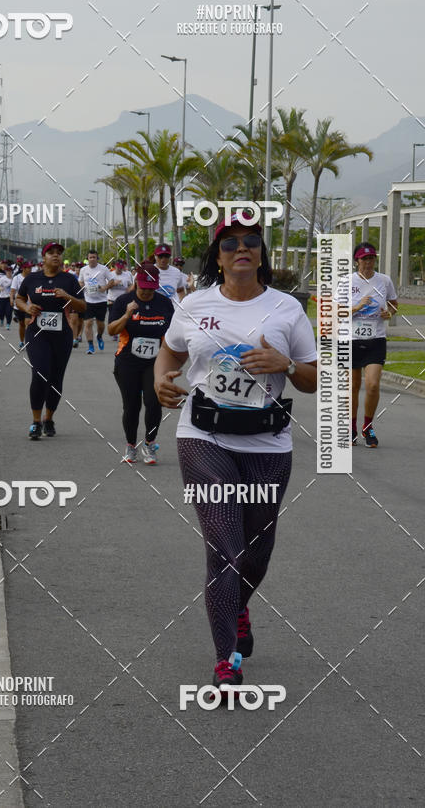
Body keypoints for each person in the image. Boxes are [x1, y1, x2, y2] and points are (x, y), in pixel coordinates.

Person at [154, 213, 317, 695]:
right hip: (204, 436)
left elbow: (312, 379)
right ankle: (227, 658)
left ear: (261, 252)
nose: (241, 248)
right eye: (230, 243)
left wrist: (285, 364)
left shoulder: (287, 308)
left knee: (257, 551)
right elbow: (170, 352)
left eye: (250, 241)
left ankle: (238, 604)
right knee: (225, 551)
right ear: (217, 256)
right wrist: (161, 379)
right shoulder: (193, 304)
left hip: (268, 442)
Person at [15, 241, 86, 440]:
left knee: (55, 378)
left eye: (59, 253)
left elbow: (82, 307)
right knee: (40, 373)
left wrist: (67, 297)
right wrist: (27, 308)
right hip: (37, 334)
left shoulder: (69, 280)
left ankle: (49, 418)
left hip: (62, 335)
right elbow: (19, 299)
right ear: (43, 257)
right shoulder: (32, 279)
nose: (56, 256)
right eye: (51, 253)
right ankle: (35, 422)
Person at [108, 262, 174, 464]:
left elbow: (173, 334)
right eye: (143, 286)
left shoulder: (164, 303)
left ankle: (149, 443)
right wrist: (127, 315)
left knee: (154, 404)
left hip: (155, 363)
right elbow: (111, 330)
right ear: (136, 281)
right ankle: (130, 446)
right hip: (128, 362)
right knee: (131, 406)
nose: (146, 291)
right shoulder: (123, 301)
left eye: (151, 288)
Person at [350, 241, 398, 447]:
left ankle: (367, 428)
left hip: (376, 339)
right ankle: (350, 428)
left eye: (371, 258)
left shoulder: (384, 281)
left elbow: (394, 304)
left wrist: (390, 312)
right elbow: (335, 311)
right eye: (364, 259)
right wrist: (357, 306)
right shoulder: (346, 282)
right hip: (351, 339)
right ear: (356, 260)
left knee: (372, 385)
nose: (368, 262)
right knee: (352, 386)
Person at [79, 250, 112, 354]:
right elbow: (80, 281)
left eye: (94, 257)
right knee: (88, 323)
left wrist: (104, 288)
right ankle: (90, 346)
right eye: (90, 257)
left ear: (97, 259)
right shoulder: (83, 270)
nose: (92, 259)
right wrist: (83, 286)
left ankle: (99, 336)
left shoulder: (103, 269)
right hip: (88, 300)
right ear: (87, 259)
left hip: (101, 300)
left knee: (100, 324)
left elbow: (111, 281)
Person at [10, 260, 33, 349]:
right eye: (29, 268)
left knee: (28, 323)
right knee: (22, 324)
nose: (30, 269)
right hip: (19, 305)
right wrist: (11, 299)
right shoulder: (17, 278)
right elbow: (13, 291)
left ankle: (28, 342)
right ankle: (21, 341)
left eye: (31, 268)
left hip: (29, 306)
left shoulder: (32, 278)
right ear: (24, 268)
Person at [106, 259, 134, 328]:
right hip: (112, 300)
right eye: (118, 267)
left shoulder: (127, 275)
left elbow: (130, 285)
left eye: (121, 267)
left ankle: (122, 331)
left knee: (124, 317)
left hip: (123, 300)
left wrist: (129, 290)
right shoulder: (110, 274)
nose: (119, 269)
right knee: (112, 317)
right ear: (115, 266)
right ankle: (113, 331)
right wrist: (113, 284)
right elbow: (106, 287)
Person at [0, 261, 13, 329]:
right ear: (5, 272)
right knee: (1, 311)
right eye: (7, 271)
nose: (9, 272)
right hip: (2, 298)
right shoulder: (2, 279)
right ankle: (1, 320)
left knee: (9, 312)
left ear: (12, 272)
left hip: (9, 298)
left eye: (10, 271)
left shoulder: (14, 279)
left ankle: (8, 324)